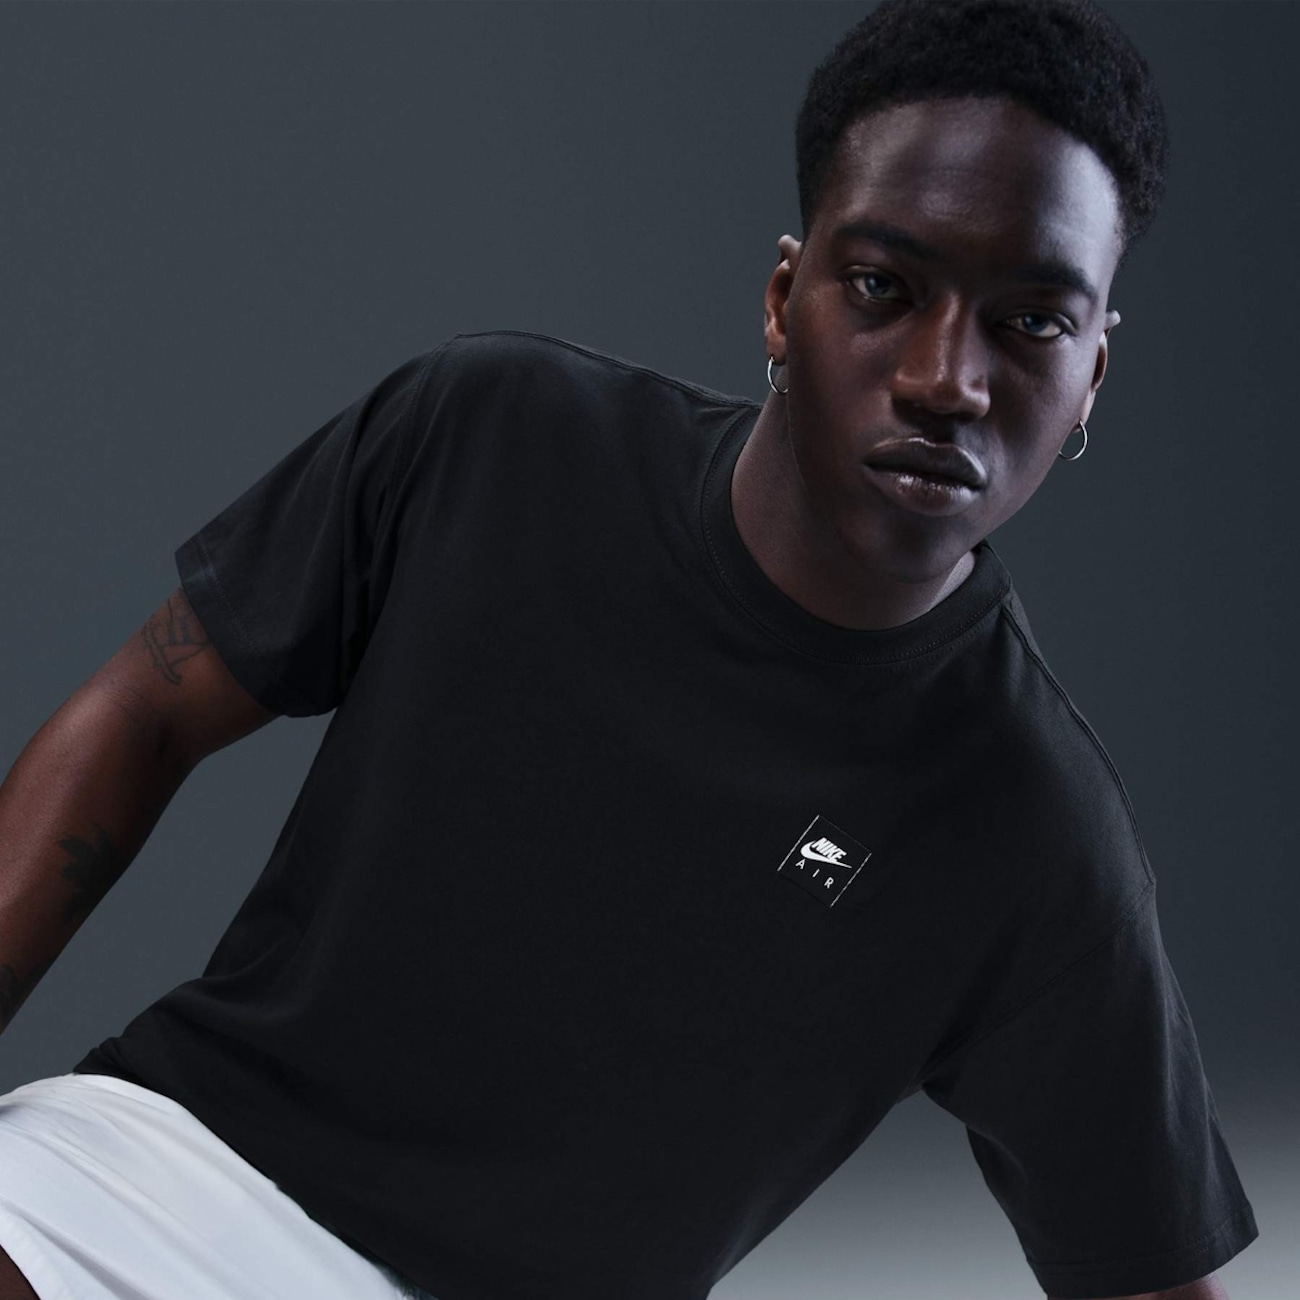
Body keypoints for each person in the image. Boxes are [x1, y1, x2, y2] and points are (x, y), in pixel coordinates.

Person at [0, 0, 1261, 1297]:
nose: (949, 379)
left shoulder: (1030, 822)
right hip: (161, 1171)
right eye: (885, 288)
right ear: (785, 300)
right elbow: (144, 713)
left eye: (1032, 323)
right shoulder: (494, 436)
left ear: (1093, 374)